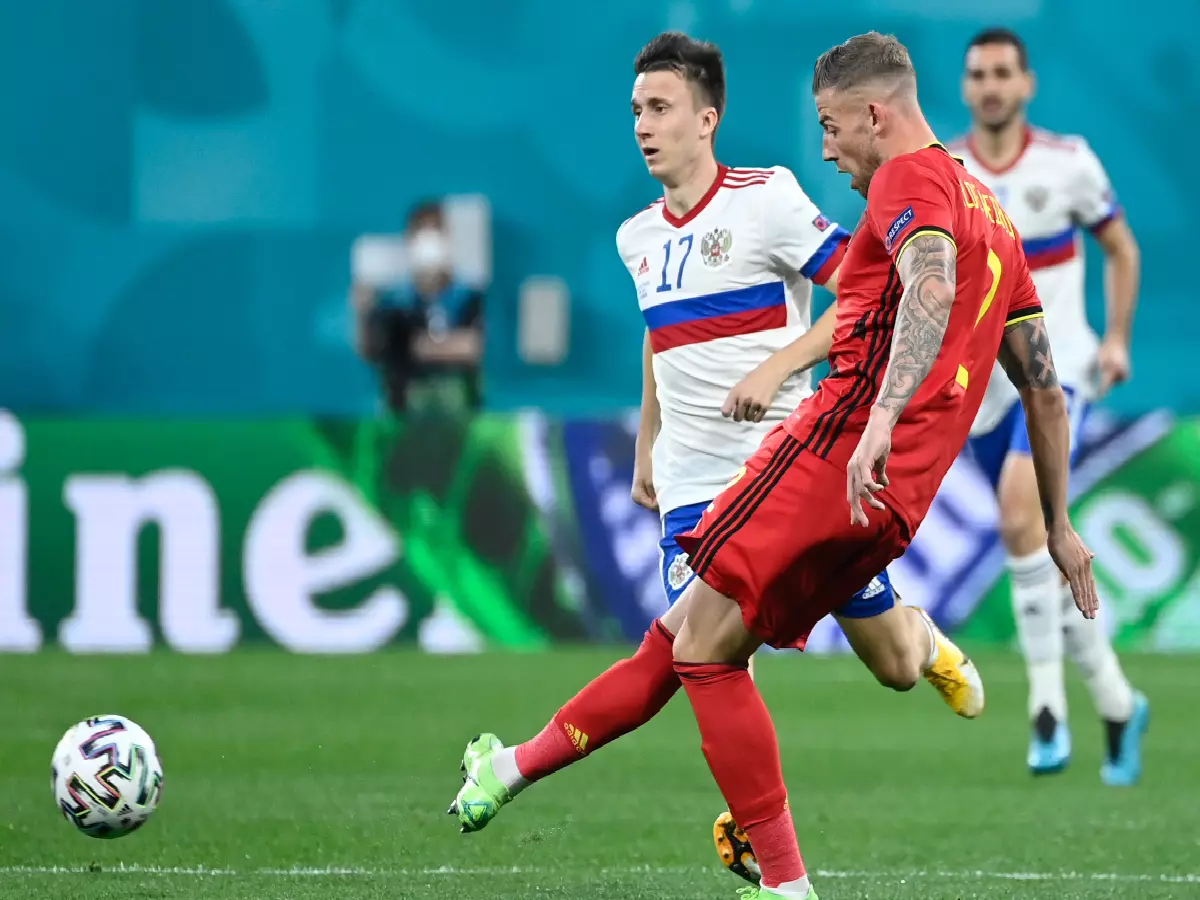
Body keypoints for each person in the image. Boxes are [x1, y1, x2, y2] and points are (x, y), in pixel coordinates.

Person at [448, 32, 1098, 899]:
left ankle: (783, 881)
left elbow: (930, 286)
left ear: (875, 114)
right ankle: (520, 772)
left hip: (827, 455)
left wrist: (877, 421)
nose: (826, 149)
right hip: (890, 502)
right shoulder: (997, 221)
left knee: (702, 654)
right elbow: (1045, 392)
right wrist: (1059, 526)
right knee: (702, 641)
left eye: (831, 127)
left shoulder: (904, 182)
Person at [614, 32, 979, 885]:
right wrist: (648, 443)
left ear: (710, 119)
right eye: (635, 110)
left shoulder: (769, 201)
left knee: (888, 666)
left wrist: (780, 363)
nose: (643, 126)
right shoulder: (635, 237)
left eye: (660, 108)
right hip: (698, 490)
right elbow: (657, 337)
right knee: (707, 654)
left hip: (794, 472)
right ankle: (770, 848)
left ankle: (923, 644)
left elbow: (862, 292)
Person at [951, 27, 1147, 783]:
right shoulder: (952, 171)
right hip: (985, 389)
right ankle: (1119, 702)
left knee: (1015, 515)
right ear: (966, 88)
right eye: (978, 74)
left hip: (1056, 370)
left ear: (1027, 83)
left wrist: (1118, 340)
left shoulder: (1068, 162)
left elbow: (1122, 246)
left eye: (1004, 72)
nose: (992, 85)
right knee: (1033, 540)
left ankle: (1046, 711)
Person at [352, 201, 484, 412]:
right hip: (404, 418)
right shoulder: (392, 302)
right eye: (421, 232)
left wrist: (412, 345)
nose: (430, 242)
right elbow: (373, 350)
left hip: (462, 416)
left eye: (437, 230)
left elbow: (477, 347)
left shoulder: (472, 297)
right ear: (409, 241)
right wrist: (361, 312)